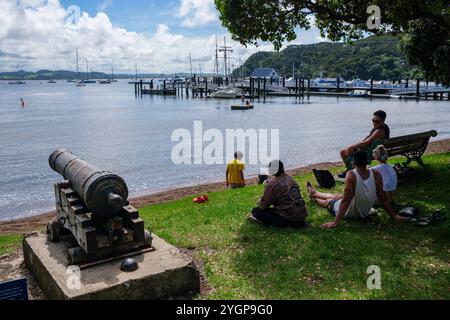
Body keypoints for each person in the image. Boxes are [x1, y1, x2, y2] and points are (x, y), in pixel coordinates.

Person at [306, 150, 406, 230]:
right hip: (364, 211)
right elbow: (383, 198)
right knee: (338, 196)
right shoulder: (376, 174)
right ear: (367, 162)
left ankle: (314, 197)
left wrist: (335, 222)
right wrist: (393, 216)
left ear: (353, 162)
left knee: (328, 202)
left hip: (351, 213)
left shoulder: (351, 175)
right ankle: (314, 192)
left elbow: (346, 201)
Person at [248, 160, 308, 228]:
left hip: (290, 219)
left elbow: (263, 206)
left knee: (256, 211)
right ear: (282, 168)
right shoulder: (290, 178)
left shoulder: (273, 183)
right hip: (301, 216)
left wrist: (265, 191)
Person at [339, 110, 390, 177]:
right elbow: (367, 138)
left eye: (377, 121)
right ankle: (351, 169)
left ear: (383, 121)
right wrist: (357, 146)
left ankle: (351, 170)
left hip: (370, 153)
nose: (374, 123)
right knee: (345, 151)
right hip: (374, 151)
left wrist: (351, 147)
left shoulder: (379, 131)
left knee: (343, 152)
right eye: (373, 120)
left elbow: (366, 143)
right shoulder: (382, 127)